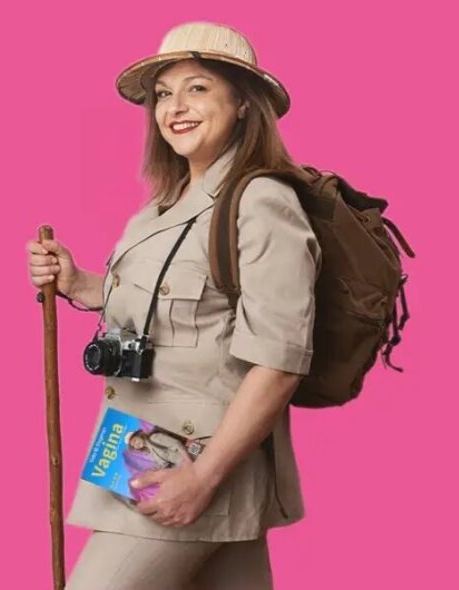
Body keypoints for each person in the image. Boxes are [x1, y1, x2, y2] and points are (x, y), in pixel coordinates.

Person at [26, 21, 321, 590]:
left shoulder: (262, 201)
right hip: (137, 448)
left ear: (242, 103)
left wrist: (204, 478)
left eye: (199, 88)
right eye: (164, 93)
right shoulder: (162, 207)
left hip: (188, 463)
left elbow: (280, 361)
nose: (175, 107)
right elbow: (172, 315)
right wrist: (79, 282)